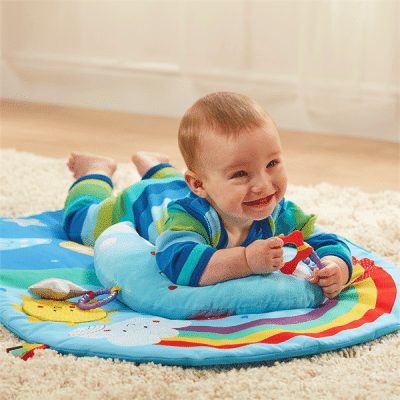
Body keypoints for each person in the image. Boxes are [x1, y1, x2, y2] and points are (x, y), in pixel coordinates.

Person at [64, 92, 352, 299]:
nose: (264, 185)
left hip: (182, 182)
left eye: (272, 164)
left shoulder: (277, 211)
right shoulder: (188, 218)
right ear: (198, 185)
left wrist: (335, 267)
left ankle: (157, 166)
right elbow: (179, 263)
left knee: (181, 180)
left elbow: (326, 241)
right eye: (241, 174)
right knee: (78, 221)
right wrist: (246, 260)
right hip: (147, 201)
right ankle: (96, 169)